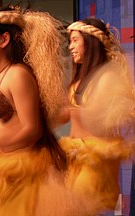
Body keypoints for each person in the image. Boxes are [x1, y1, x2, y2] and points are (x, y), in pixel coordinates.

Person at [0, 5, 85, 216]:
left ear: (4, 40)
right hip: (3, 170)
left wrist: (3, 145)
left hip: (26, 169)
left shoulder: (19, 75)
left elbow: (32, 129)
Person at [59, 17, 135, 214]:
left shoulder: (107, 78)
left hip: (95, 163)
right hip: (76, 159)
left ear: (90, 41)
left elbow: (100, 121)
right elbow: (64, 116)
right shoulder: (78, 81)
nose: (70, 47)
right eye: (70, 41)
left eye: (75, 40)